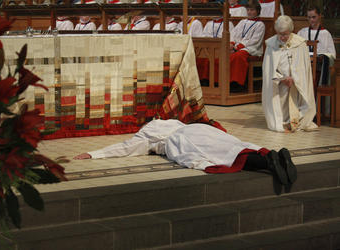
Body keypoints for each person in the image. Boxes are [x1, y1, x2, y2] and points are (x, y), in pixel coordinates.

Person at [74, 119, 297, 189]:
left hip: (183, 142)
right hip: (199, 129)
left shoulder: (144, 135)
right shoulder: (170, 120)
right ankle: (273, 157)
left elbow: (123, 149)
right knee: (232, 145)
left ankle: (270, 164)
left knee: (221, 158)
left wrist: (94, 154)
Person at [262, 15, 317, 132]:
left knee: (296, 94)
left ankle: (296, 121)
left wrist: (294, 79)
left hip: (296, 82)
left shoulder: (300, 43)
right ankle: (282, 121)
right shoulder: (271, 44)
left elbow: (303, 68)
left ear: (291, 31)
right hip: (279, 81)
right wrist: (282, 78)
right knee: (280, 91)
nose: (282, 37)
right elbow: (268, 69)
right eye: (280, 34)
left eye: (285, 34)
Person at [212, 0, 265, 91]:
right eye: (248, 10)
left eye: (252, 10)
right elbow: (233, 34)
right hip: (237, 47)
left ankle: (237, 83)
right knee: (222, 55)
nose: (249, 12)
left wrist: (237, 47)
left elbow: (255, 40)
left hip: (252, 49)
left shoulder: (260, 24)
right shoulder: (242, 22)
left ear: (257, 11)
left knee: (238, 56)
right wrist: (231, 44)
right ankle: (221, 81)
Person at [297, 5, 336, 87]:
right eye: (309, 17)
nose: (311, 20)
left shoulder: (326, 34)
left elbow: (332, 54)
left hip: (319, 69)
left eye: (314, 17)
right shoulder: (302, 32)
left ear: (320, 16)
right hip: (304, 68)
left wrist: (323, 57)